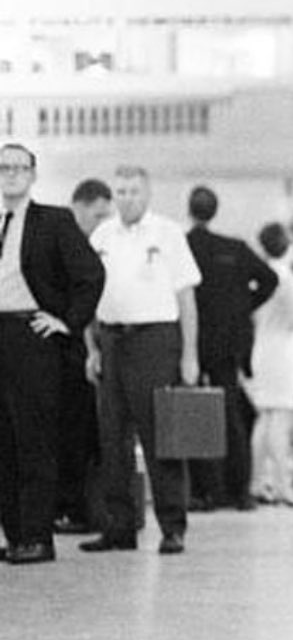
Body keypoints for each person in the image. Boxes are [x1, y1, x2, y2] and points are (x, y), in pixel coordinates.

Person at [81, 165, 201, 556]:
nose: (126, 198)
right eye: (121, 191)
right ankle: (119, 527)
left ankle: (172, 526)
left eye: (134, 191)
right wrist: (92, 349)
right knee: (112, 438)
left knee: (159, 437)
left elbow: (186, 299)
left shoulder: (167, 234)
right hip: (112, 339)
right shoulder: (102, 235)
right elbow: (88, 296)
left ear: (147, 194)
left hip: (155, 340)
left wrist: (190, 355)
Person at [0, 145, 105, 564]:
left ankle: (39, 537)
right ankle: (15, 536)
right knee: (3, 442)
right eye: (4, 168)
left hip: (32, 336)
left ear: (33, 175)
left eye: (19, 168)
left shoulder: (54, 222)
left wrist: (67, 321)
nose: (10, 175)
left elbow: (92, 275)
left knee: (33, 440)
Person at [186, 186, 279, 510]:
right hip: (229, 344)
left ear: (190, 211)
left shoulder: (183, 246)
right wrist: (244, 307)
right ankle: (239, 490)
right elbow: (269, 279)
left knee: (194, 414)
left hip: (193, 343)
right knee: (231, 415)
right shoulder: (236, 249)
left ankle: (204, 490)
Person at [52, 177, 114, 535]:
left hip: (89, 350)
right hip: (65, 351)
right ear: (78, 207)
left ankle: (81, 506)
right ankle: (67, 506)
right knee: (69, 432)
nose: (102, 224)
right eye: (97, 215)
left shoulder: (95, 248)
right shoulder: (60, 242)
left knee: (88, 433)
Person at [245, 223, 293, 508]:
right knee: (281, 421)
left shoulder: (259, 276)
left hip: (262, 350)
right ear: (288, 245)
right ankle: (285, 486)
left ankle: (258, 482)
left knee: (264, 419)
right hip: (283, 353)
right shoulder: (285, 279)